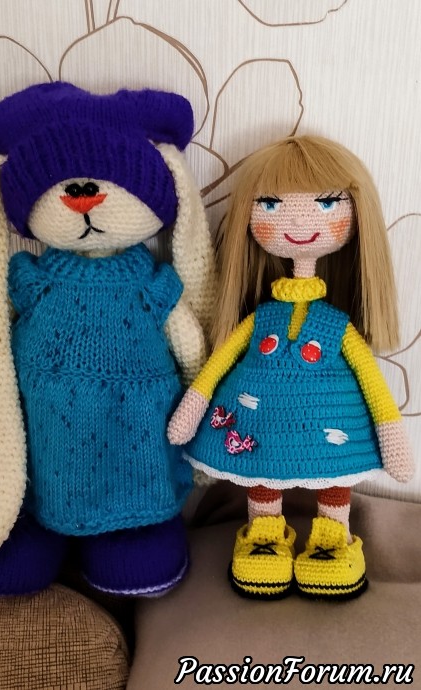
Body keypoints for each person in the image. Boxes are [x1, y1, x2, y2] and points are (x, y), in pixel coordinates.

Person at [168, 135, 414, 600]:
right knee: (260, 466)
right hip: (257, 417)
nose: (299, 221)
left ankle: (332, 539)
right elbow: (218, 365)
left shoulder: (337, 326)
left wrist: (392, 433)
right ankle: (264, 535)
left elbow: (372, 382)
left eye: (326, 203)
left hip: (332, 423)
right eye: (271, 204)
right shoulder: (259, 320)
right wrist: (192, 408)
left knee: (334, 476)